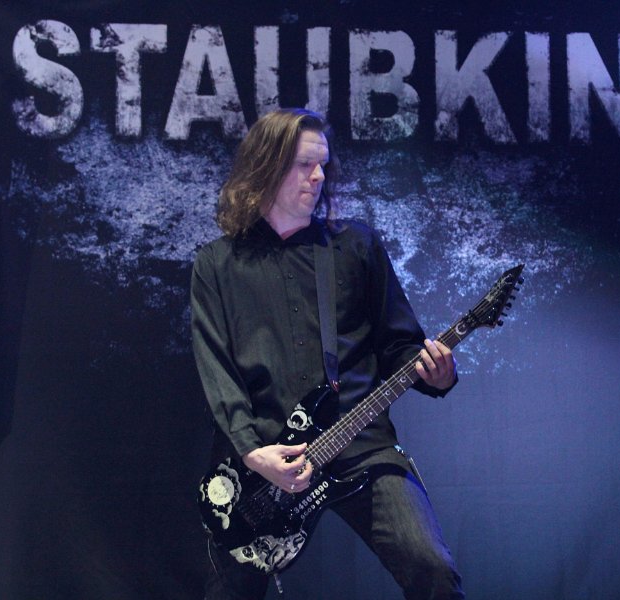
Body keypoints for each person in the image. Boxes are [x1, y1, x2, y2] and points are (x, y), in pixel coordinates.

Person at [190, 108, 465, 600]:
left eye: (322, 165)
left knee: (433, 569)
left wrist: (436, 375)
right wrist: (252, 451)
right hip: (264, 458)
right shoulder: (217, 263)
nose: (318, 176)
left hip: (359, 443)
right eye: (304, 165)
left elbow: (399, 344)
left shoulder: (355, 246)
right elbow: (217, 368)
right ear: (266, 166)